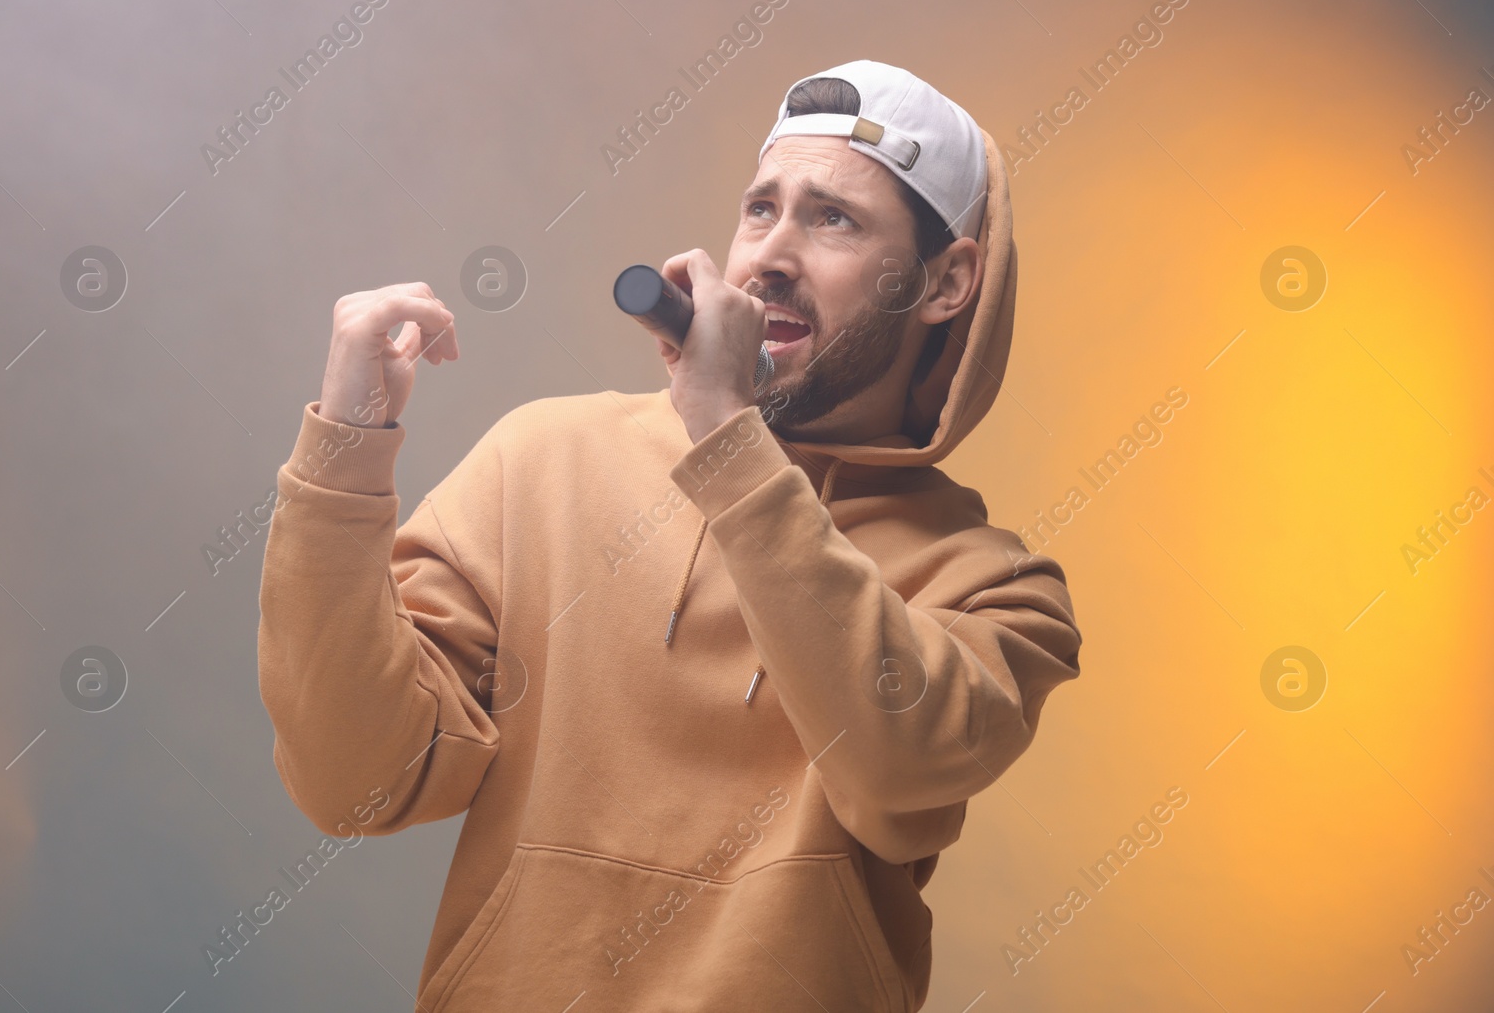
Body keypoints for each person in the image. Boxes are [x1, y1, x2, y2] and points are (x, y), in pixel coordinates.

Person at [257, 59, 1083, 1012]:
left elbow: (899, 772)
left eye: (832, 219)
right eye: (760, 208)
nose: (768, 254)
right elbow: (351, 781)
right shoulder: (544, 459)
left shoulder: (996, 587)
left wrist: (728, 441)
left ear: (946, 282)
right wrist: (344, 455)